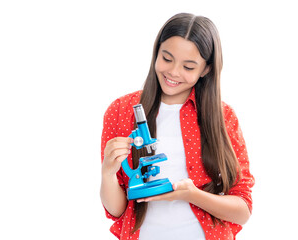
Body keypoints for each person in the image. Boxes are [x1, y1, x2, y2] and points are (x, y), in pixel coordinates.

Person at [100, 13, 254, 240]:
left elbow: (242, 210)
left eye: (188, 67)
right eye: (167, 58)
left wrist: (192, 195)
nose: (173, 72)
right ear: (156, 52)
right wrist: (108, 173)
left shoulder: (223, 117)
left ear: (206, 69)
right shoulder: (121, 110)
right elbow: (117, 210)